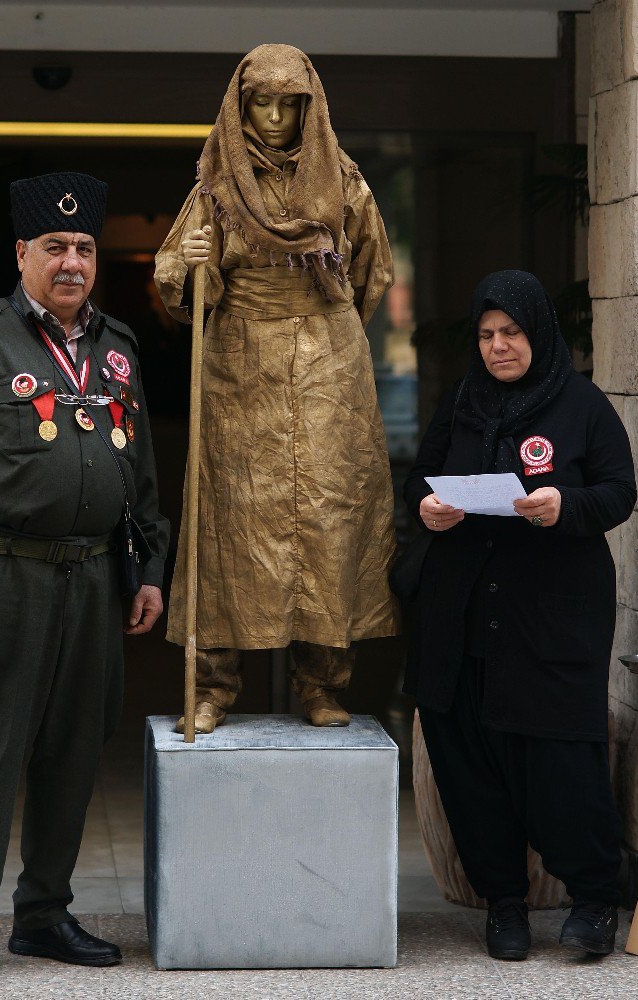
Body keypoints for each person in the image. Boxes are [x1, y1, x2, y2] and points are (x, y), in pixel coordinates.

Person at [0, 171, 169, 988]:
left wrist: (148, 569)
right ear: (22, 253)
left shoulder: (118, 347)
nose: (73, 262)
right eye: (55, 247)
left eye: (84, 247)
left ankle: (45, 914)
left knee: (73, 751)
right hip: (4, 579)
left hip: (94, 580)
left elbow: (144, 479)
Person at [155, 44, 398, 733]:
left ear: (307, 109)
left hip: (327, 363)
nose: (271, 117)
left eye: (286, 104)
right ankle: (213, 685)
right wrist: (190, 266)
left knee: (329, 520)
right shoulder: (216, 185)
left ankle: (321, 682)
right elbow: (178, 279)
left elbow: (371, 276)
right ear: (239, 107)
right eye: (260, 102)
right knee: (227, 521)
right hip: (239, 365)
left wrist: (324, 330)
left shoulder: (343, 184)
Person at [403, 270, 636, 960]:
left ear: (537, 333)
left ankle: (596, 898)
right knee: (470, 769)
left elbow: (619, 491)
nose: (498, 346)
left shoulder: (582, 405)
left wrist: (565, 506)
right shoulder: (464, 402)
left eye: (511, 333)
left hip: (549, 625)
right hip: (463, 620)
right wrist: (428, 507)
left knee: (562, 770)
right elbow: (422, 476)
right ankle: (502, 903)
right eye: (486, 335)